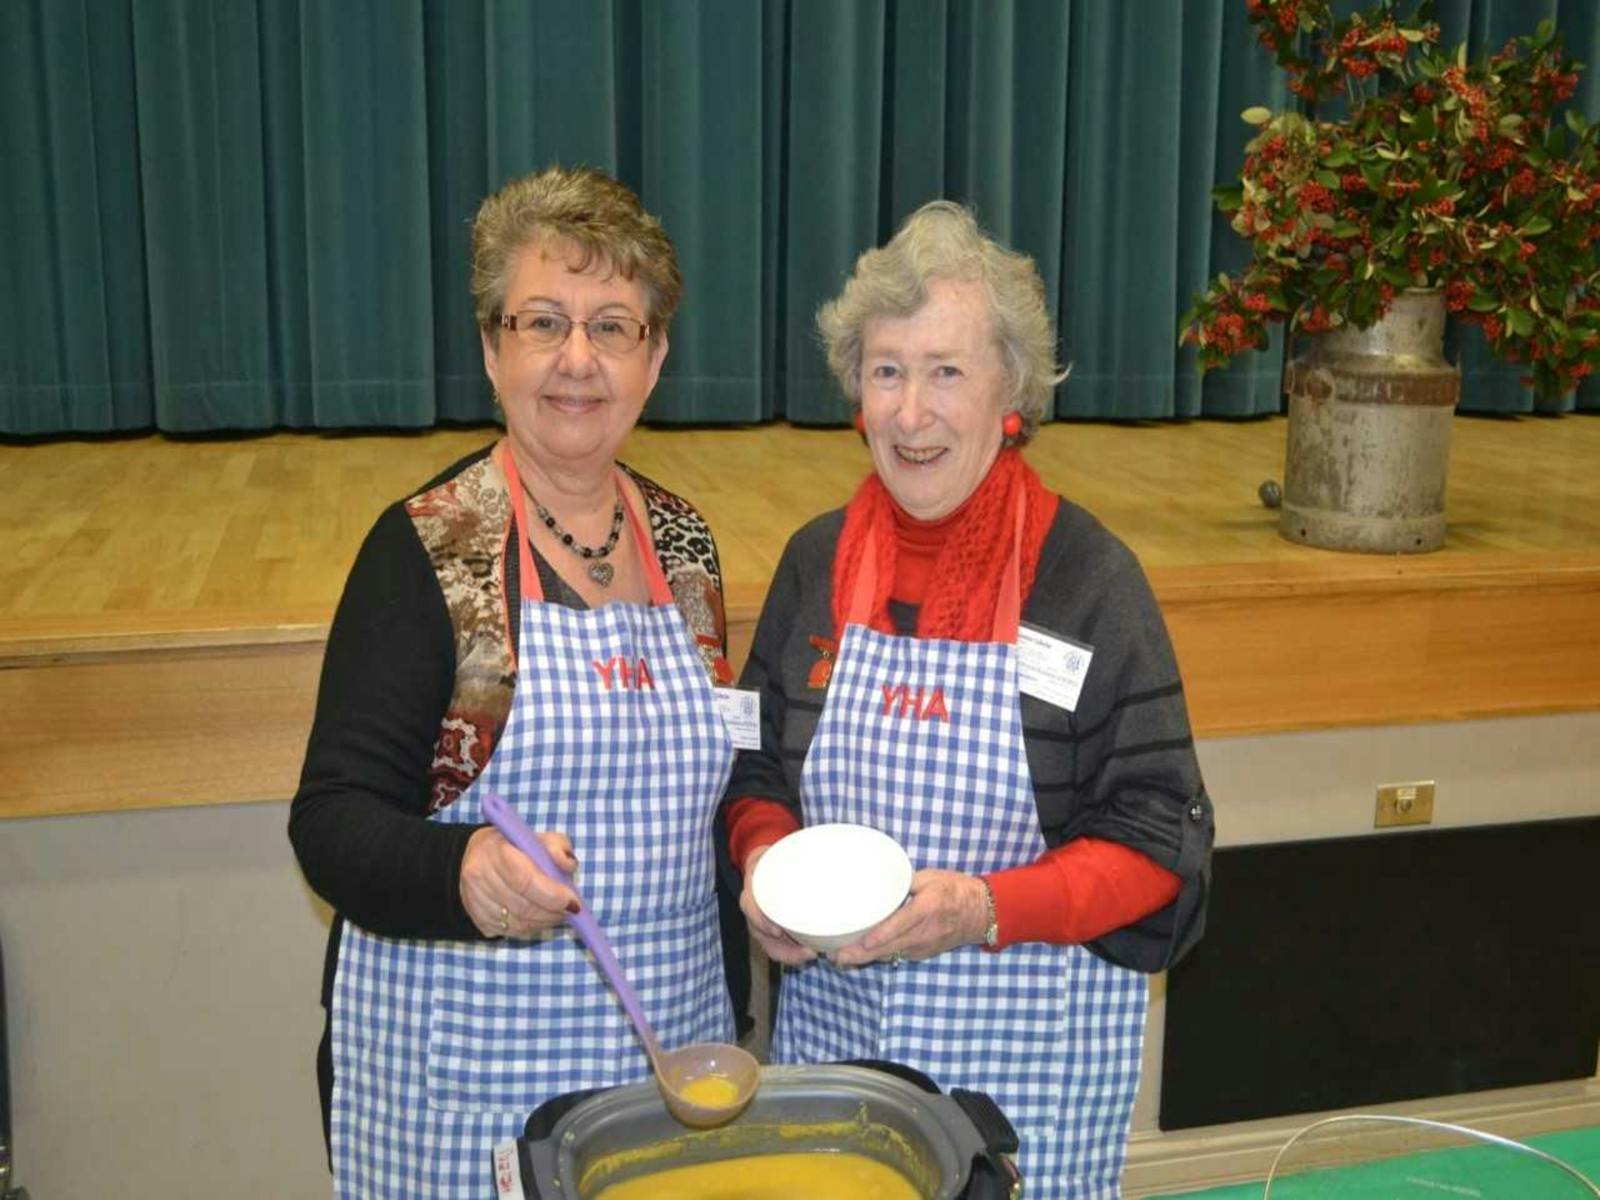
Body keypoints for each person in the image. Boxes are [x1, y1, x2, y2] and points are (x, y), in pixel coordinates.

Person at [721, 201, 1214, 1199]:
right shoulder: (816, 564)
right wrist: (765, 865)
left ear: (1012, 391)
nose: (911, 414)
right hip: (841, 1066)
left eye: (946, 371)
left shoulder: (1088, 580)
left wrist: (987, 907)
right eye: (887, 371)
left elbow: (1162, 840)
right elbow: (756, 766)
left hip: (1030, 1079)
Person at [289, 165, 743, 1197]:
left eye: (613, 327)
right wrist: (467, 874)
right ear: (493, 350)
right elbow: (332, 822)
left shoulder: (684, 545)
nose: (577, 359)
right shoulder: (427, 549)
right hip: (468, 1083)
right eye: (543, 322)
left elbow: (708, 797)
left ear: (656, 356)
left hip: (662, 1058)